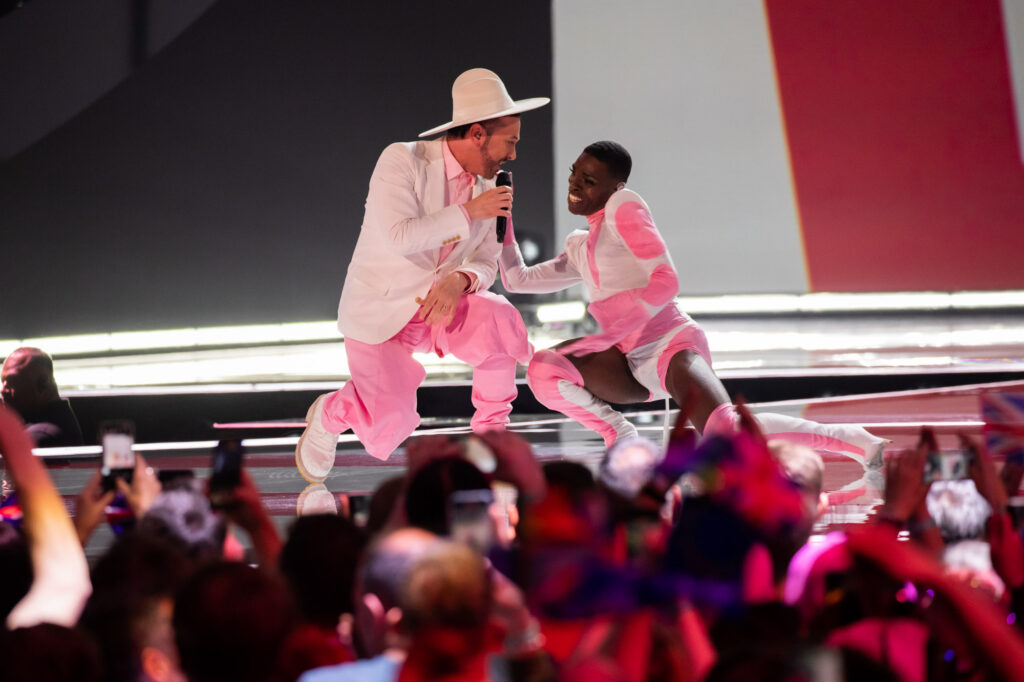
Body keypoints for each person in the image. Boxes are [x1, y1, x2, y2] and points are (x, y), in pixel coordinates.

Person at [499, 140, 883, 461]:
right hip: (628, 361)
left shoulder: (623, 205)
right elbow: (517, 279)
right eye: (574, 173)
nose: (575, 184)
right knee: (543, 369)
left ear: (615, 187)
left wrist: (613, 331)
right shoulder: (580, 246)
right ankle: (619, 433)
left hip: (671, 346)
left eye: (589, 180)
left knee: (726, 431)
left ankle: (852, 440)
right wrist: (503, 217)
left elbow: (667, 280)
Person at [295, 68, 549, 481]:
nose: (515, 155)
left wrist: (460, 280)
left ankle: (491, 440)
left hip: (439, 308)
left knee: (500, 321)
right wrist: (471, 211)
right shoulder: (402, 159)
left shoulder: (492, 186)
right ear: (479, 134)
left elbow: (486, 261)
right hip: (383, 311)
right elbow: (399, 237)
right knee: (389, 420)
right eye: (511, 142)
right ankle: (331, 413)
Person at [0, 347, 83, 447]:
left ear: (42, 384)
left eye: (11, 383)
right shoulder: (54, 425)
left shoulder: (40, 436)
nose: (3, 391)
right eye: (3, 381)